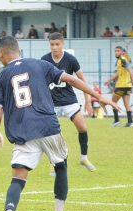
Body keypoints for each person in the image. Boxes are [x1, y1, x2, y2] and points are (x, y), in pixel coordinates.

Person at [0, 36, 119, 211]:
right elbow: (72, 79)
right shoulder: (41, 64)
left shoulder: (2, 76)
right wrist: (98, 96)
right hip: (48, 127)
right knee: (60, 167)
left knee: (18, 178)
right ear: (18, 50)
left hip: (23, 132)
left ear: (1, 54)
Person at [41, 32, 95, 171]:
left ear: (62, 44)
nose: (54, 47)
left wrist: (88, 101)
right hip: (51, 103)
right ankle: (54, 164)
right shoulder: (44, 60)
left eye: (57, 44)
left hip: (69, 100)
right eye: (52, 44)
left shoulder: (71, 60)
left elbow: (82, 81)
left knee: (82, 128)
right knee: (52, 134)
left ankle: (84, 158)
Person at [104, 46, 133, 127]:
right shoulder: (121, 60)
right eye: (115, 51)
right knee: (127, 104)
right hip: (128, 86)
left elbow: (130, 70)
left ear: (122, 52)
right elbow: (118, 73)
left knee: (113, 102)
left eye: (118, 51)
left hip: (121, 85)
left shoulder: (122, 59)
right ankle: (130, 122)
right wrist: (109, 80)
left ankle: (116, 121)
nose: (116, 52)